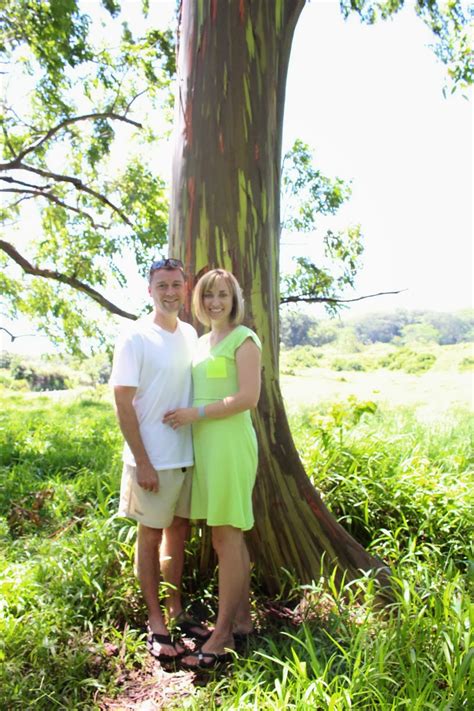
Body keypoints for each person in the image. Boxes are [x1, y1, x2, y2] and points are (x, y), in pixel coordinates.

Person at [110, 257, 209, 664]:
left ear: (186, 289)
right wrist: (143, 462)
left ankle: (176, 610)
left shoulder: (189, 333)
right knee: (149, 538)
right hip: (151, 460)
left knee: (179, 533)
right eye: (161, 285)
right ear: (149, 290)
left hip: (187, 455)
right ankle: (156, 623)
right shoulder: (135, 337)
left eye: (176, 285)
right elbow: (122, 403)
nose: (170, 292)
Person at [163, 268, 262, 670]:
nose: (215, 302)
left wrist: (195, 413)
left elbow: (248, 397)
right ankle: (242, 619)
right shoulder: (202, 342)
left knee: (227, 534)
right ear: (199, 302)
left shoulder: (244, 339)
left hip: (230, 445)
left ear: (233, 298)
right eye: (208, 296)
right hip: (203, 446)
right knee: (224, 535)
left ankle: (221, 638)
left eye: (222, 294)